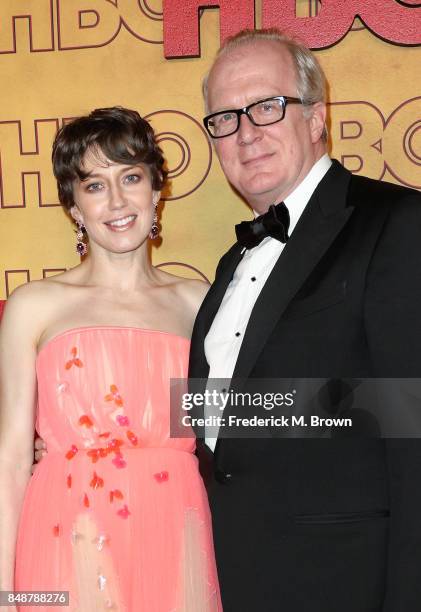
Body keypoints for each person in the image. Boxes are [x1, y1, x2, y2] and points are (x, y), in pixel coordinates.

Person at [188, 28, 421, 611]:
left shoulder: (394, 222)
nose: (246, 133)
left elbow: (410, 418)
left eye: (267, 107)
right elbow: (214, 422)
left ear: (317, 117)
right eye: (225, 118)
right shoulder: (229, 266)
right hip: (235, 578)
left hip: (347, 581)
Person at [0, 107, 222, 611]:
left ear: (156, 191)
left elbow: (225, 431)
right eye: (94, 186)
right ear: (74, 206)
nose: (117, 201)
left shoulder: (198, 301)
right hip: (67, 531)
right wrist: (6, 593)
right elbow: (10, 461)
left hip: (175, 529)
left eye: (131, 177)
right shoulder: (35, 305)